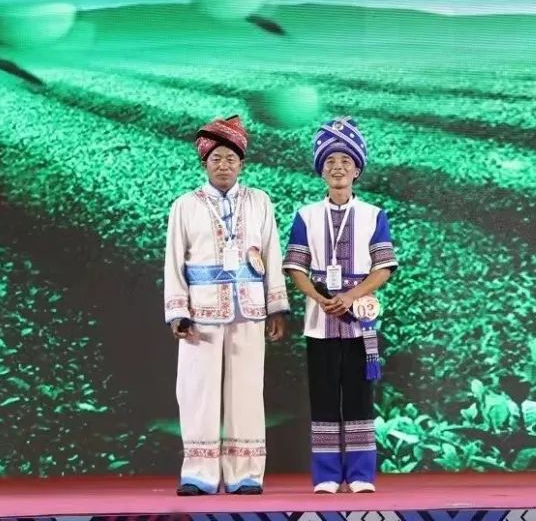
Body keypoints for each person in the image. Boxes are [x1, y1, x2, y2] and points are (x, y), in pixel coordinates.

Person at [163, 115, 290, 496]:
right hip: (200, 313)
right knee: (197, 391)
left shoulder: (260, 202)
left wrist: (276, 306)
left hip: (249, 309)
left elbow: (272, 253)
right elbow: (174, 261)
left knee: (247, 390)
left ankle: (245, 474)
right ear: (204, 163)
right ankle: (198, 474)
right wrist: (177, 311)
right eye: (216, 158)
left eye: (231, 159)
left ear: (242, 164)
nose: (223, 165)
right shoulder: (185, 205)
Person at [282, 117, 398, 494]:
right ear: (321, 170)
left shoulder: (374, 215)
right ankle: (327, 475)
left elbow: (384, 267)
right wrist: (319, 298)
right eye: (330, 161)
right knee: (324, 395)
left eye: (345, 161)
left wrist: (350, 296)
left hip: (360, 319)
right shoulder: (305, 215)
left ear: (357, 170)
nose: (338, 168)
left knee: (360, 394)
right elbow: (295, 267)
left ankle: (361, 474)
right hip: (319, 322)